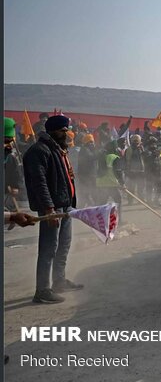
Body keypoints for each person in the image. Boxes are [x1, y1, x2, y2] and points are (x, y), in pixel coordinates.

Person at [23, 112, 83, 304]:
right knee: (49, 249)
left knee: (63, 246)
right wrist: (49, 209)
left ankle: (59, 281)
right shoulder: (39, 151)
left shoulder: (58, 149)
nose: (67, 133)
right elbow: (39, 183)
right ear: (53, 131)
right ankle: (42, 290)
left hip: (64, 206)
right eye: (63, 130)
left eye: (67, 130)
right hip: (52, 208)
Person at [96, 141, 126, 224]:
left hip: (101, 183)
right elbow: (118, 172)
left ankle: (100, 221)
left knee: (102, 203)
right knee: (118, 200)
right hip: (111, 184)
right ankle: (119, 221)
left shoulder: (102, 156)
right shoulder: (115, 157)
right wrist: (122, 183)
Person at [4, 117, 22, 211]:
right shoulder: (9, 154)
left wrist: (15, 185)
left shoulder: (10, 153)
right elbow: (13, 170)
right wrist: (15, 185)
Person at [76, 134, 97, 207]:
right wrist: (99, 153)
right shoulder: (85, 150)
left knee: (85, 195)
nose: (93, 144)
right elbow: (91, 158)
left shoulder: (88, 149)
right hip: (86, 176)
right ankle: (92, 207)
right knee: (86, 194)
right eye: (91, 142)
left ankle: (82, 208)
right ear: (87, 143)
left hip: (88, 176)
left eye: (93, 142)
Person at [124, 134, 146, 204]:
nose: (136, 143)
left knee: (140, 186)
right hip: (132, 171)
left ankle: (140, 199)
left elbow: (144, 158)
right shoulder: (129, 149)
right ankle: (130, 200)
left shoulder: (141, 149)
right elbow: (127, 160)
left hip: (140, 170)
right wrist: (127, 171)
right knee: (132, 187)